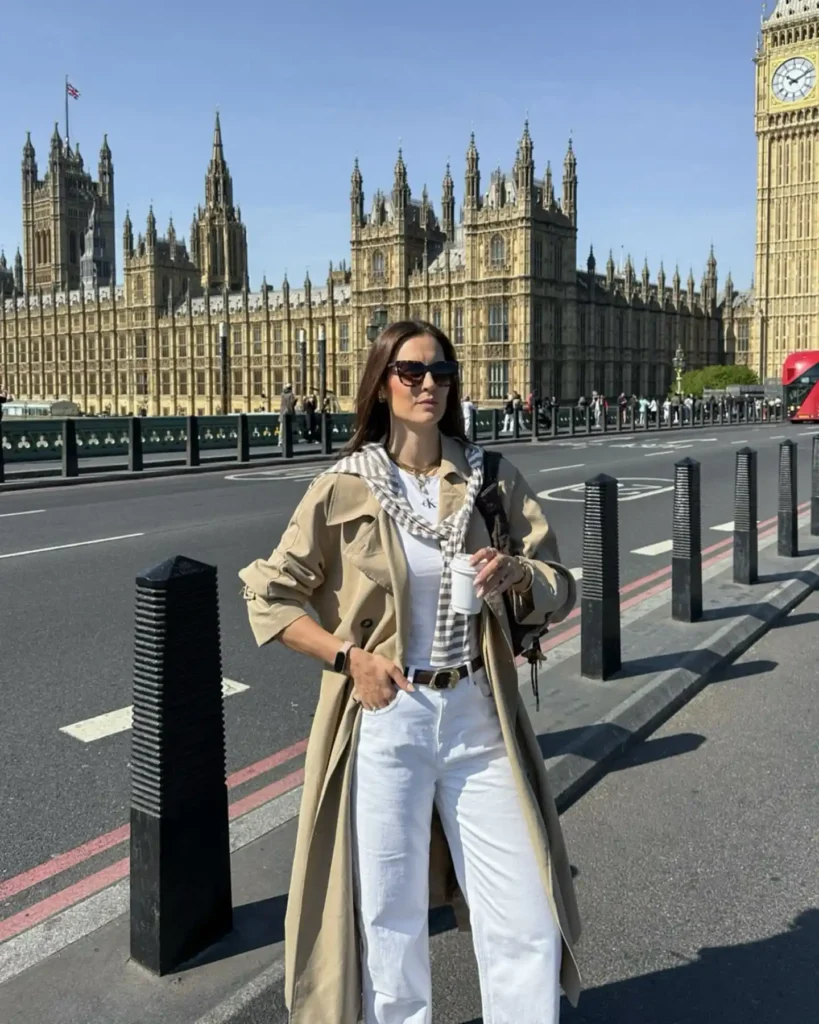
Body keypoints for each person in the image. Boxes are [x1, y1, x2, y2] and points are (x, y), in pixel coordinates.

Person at [239, 320, 581, 1024]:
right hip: (387, 717)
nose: (429, 384)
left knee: (524, 914)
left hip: (476, 712)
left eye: (442, 372)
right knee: (389, 924)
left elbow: (561, 586)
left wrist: (518, 572)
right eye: (411, 372)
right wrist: (346, 658)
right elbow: (268, 595)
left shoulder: (487, 477)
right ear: (381, 384)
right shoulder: (345, 487)